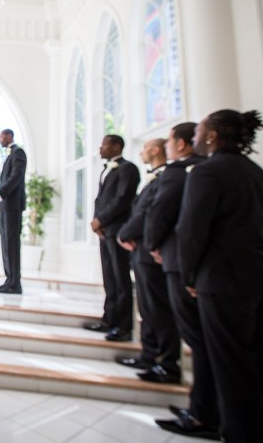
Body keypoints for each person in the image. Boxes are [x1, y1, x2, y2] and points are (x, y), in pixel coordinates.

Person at [177, 110, 263, 443]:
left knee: (232, 371)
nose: (195, 136)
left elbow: (191, 231)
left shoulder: (206, 172)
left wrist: (190, 276)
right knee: (259, 366)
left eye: (198, 130)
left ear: (211, 136)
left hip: (225, 282)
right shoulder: (258, 174)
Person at [144, 122, 218, 439]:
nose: (168, 146)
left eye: (171, 140)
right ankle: (202, 407)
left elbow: (161, 213)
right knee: (204, 344)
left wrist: (152, 244)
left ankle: (202, 414)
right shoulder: (208, 169)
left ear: (183, 144)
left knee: (199, 343)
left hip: (180, 262)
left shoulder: (183, 172)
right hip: (204, 266)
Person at [115, 138, 181, 384]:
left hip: (151, 253)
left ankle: (167, 363)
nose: (141, 152)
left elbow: (151, 213)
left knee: (158, 309)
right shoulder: (156, 177)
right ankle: (149, 355)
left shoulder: (169, 177)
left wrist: (126, 233)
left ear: (155, 151)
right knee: (147, 308)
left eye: (144, 148)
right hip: (141, 251)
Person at [84, 134, 140, 341]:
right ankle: (109, 319)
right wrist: (96, 221)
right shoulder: (107, 169)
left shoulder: (128, 169)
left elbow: (123, 198)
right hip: (104, 230)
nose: (101, 148)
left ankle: (124, 327)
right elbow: (102, 199)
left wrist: (102, 220)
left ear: (117, 146)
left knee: (121, 278)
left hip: (118, 230)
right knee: (109, 276)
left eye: (105, 144)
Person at [0, 129, 27, 295]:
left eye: (1, 136)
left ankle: (15, 283)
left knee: (12, 245)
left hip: (13, 206)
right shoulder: (11, 154)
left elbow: (15, 178)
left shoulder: (19, 153)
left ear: (9, 136)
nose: (0, 139)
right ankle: (9, 280)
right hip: (5, 206)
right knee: (6, 245)